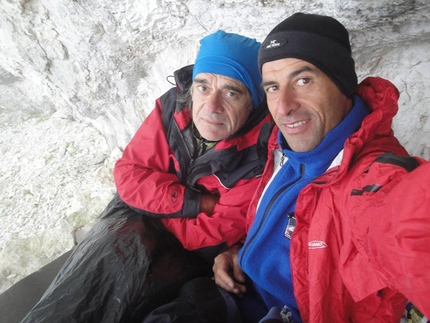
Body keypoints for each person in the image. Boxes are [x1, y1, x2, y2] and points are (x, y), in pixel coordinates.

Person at [21, 30, 273, 323]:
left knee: (133, 300)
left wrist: (154, 213)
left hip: (189, 250)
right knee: (82, 287)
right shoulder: (174, 107)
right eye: (203, 87)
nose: (211, 106)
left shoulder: (260, 152)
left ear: (253, 101)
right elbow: (129, 173)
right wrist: (198, 202)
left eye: (232, 92)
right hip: (144, 219)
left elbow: (218, 232)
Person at [213, 13, 430, 323]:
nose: (284, 106)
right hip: (242, 293)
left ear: (342, 84)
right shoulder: (283, 148)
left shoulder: (375, 180)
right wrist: (242, 252)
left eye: (303, 80)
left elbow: (407, 223)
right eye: (273, 87)